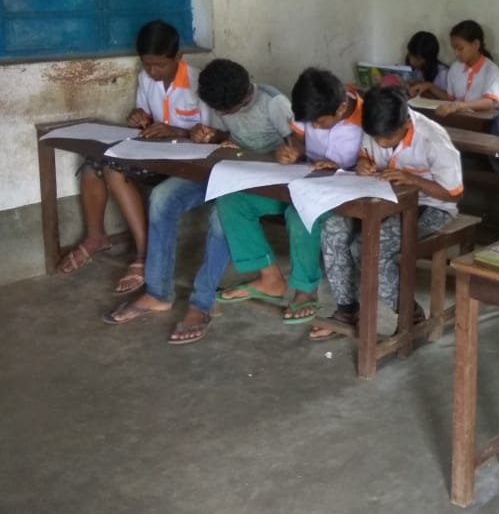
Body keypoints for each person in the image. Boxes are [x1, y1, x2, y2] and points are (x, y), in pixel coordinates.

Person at [102, 60, 295, 343]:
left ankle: (200, 303)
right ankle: (157, 293)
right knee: (162, 197)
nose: (223, 114)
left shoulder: (274, 103)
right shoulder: (222, 99)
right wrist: (214, 136)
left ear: (244, 95)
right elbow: (232, 135)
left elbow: (299, 150)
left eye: (227, 111)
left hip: (266, 182)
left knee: (221, 216)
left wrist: (269, 155)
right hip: (229, 168)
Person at [57, 19, 204, 294]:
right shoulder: (145, 79)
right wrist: (140, 118)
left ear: (178, 56)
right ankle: (95, 237)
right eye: (147, 64)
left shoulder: (198, 83)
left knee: (114, 169)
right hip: (155, 154)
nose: (153, 71)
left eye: (160, 65)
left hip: (189, 163)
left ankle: (144, 254)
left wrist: (179, 131)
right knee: (92, 162)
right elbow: (144, 117)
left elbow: (210, 134)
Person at [311, 86, 463, 340]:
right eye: (376, 137)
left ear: (405, 123)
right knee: (333, 226)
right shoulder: (374, 125)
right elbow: (365, 154)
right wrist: (363, 164)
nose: (381, 143)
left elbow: (454, 193)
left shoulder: (433, 140)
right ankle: (347, 310)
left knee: (370, 247)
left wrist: (413, 180)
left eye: (388, 138)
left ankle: (409, 316)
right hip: (383, 200)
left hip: (431, 206)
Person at [215, 68, 362, 323]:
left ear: (340, 109)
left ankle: (306, 290)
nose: (314, 127)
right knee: (231, 199)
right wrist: (292, 152)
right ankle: (270, 278)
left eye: (319, 122)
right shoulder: (311, 108)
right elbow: (298, 140)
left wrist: (344, 168)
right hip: (300, 184)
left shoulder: (367, 118)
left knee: (299, 214)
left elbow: (378, 163)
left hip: (340, 195)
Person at [407, 20, 499, 115]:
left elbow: (488, 102)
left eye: (460, 48)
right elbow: (449, 97)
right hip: (457, 117)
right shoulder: (455, 68)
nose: (456, 53)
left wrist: (459, 106)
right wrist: (429, 86)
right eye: (454, 49)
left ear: (476, 45)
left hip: (481, 120)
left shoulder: (491, 69)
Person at [404, 30, 450, 98]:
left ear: (429, 59)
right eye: (410, 55)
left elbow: (449, 99)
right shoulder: (414, 70)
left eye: (418, 59)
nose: (411, 61)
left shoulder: (443, 73)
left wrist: (429, 86)